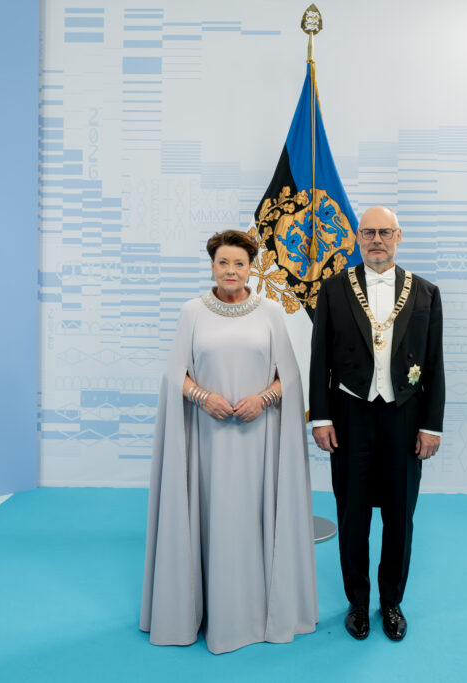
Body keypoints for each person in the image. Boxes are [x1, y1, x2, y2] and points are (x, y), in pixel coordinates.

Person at [140, 230, 318, 654]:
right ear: (212, 265)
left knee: (252, 520)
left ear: (252, 266)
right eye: (223, 263)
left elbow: (289, 376)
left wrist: (264, 398)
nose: (231, 271)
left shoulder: (272, 312)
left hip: (259, 440)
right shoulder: (192, 312)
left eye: (239, 263)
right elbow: (174, 375)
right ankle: (207, 613)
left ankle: (258, 614)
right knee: (213, 518)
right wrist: (204, 398)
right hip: (208, 441)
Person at [309, 206, 445, 642]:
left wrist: (432, 425)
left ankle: (391, 602)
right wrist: (322, 416)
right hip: (349, 416)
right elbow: (319, 362)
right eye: (368, 232)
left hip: (405, 416)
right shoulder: (332, 290)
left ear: (399, 236)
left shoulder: (426, 292)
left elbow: (436, 364)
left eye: (385, 231)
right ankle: (357, 602)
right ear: (357, 237)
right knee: (352, 516)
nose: (377, 239)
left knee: (400, 516)